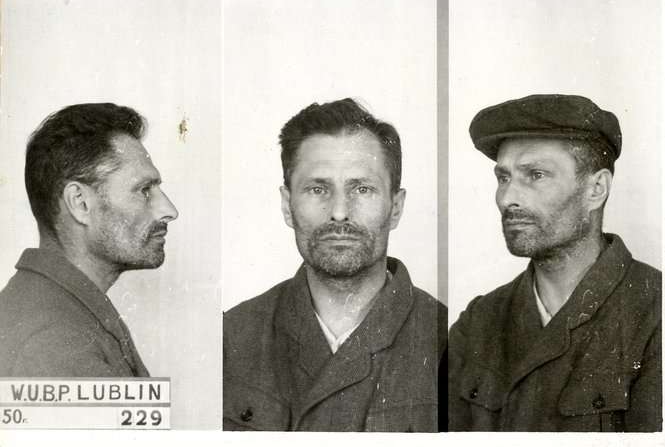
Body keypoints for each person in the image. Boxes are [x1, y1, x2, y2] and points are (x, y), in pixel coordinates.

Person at [223, 98, 446, 432]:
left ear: (396, 207)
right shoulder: (232, 336)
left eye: (362, 189)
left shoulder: (448, 341)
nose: (339, 212)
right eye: (317, 189)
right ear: (287, 205)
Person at [448, 94, 661, 432]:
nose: (507, 198)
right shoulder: (478, 321)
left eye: (536, 175)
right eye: (503, 178)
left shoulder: (654, 314)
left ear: (596, 189)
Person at [0, 103, 178, 377]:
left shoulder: (52, 309)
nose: (169, 210)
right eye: (144, 190)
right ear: (80, 203)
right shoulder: (53, 341)